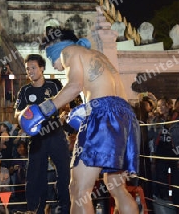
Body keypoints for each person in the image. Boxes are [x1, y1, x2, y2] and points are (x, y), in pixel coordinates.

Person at [18, 27, 140, 214]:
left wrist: (44, 109)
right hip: (126, 116)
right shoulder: (98, 55)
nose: (53, 64)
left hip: (102, 113)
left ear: (55, 48)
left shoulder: (69, 52)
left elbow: (75, 85)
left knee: (78, 189)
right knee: (115, 186)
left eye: (50, 57)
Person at [14, 53, 71, 213]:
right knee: (35, 176)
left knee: (64, 172)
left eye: (33, 68)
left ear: (42, 68)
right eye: (27, 69)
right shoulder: (24, 91)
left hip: (55, 134)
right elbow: (16, 114)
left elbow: (67, 104)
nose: (30, 71)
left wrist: (64, 115)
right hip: (36, 138)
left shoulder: (54, 86)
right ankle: (35, 210)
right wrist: (23, 115)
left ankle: (65, 207)